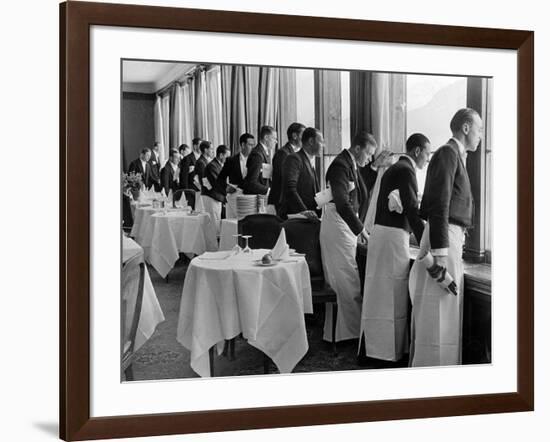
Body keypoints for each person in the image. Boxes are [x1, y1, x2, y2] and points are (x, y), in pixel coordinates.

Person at [408, 108, 481, 367]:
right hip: (444, 239)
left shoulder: (453, 156)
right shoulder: (447, 154)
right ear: (465, 127)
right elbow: (440, 204)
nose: (480, 135)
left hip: (449, 237)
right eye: (479, 129)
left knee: (446, 309)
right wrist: (440, 255)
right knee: (439, 307)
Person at [358, 133, 431, 364]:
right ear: (417, 151)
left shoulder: (396, 168)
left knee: (381, 294)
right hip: (391, 238)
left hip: (384, 236)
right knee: (391, 295)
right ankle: (386, 355)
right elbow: (410, 207)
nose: (427, 159)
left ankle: (377, 350)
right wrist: (426, 244)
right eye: (427, 154)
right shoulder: (406, 170)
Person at [320, 131, 377, 343]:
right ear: (358, 149)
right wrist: (361, 230)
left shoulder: (350, 164)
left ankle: (343, 333)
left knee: (346, 279)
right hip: (338, 226)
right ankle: (350, 335)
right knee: (345, 280)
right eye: (369, 154)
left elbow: (359, 191)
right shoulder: (340, 166)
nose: (369, 158)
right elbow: (343, 203)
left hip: (343, 226)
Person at [279, 127, 323, 219]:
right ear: (311, 141)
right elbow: (290, 188)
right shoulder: (294, 159)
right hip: (296, 219)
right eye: (321, 142)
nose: (323, 146)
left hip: (309, 219)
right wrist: (305, 212)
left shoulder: (309, 161)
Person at [268, 122, 305, 214]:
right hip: (281, 203)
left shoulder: (295, 153)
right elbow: (284, 180)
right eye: (303, 135)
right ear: (294, 136)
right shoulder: (283, 153)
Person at [203, 145, 231, 233]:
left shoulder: (219, 165)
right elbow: (217, 183)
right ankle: (213, 246)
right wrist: (228, 191)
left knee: (217, 221)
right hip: (212, 197)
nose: (228, 159)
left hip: (217, 197)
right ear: (221, 155)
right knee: (214, 223)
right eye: (227, 156)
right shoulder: (212, 166)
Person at [243, 125, 277, 195]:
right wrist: (269, 191)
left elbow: (265, 178)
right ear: (266, 137)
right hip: (254, 199)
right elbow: (252, 182)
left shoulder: (264, 153)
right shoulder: (257, 154)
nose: (276, 142)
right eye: (274, 138)